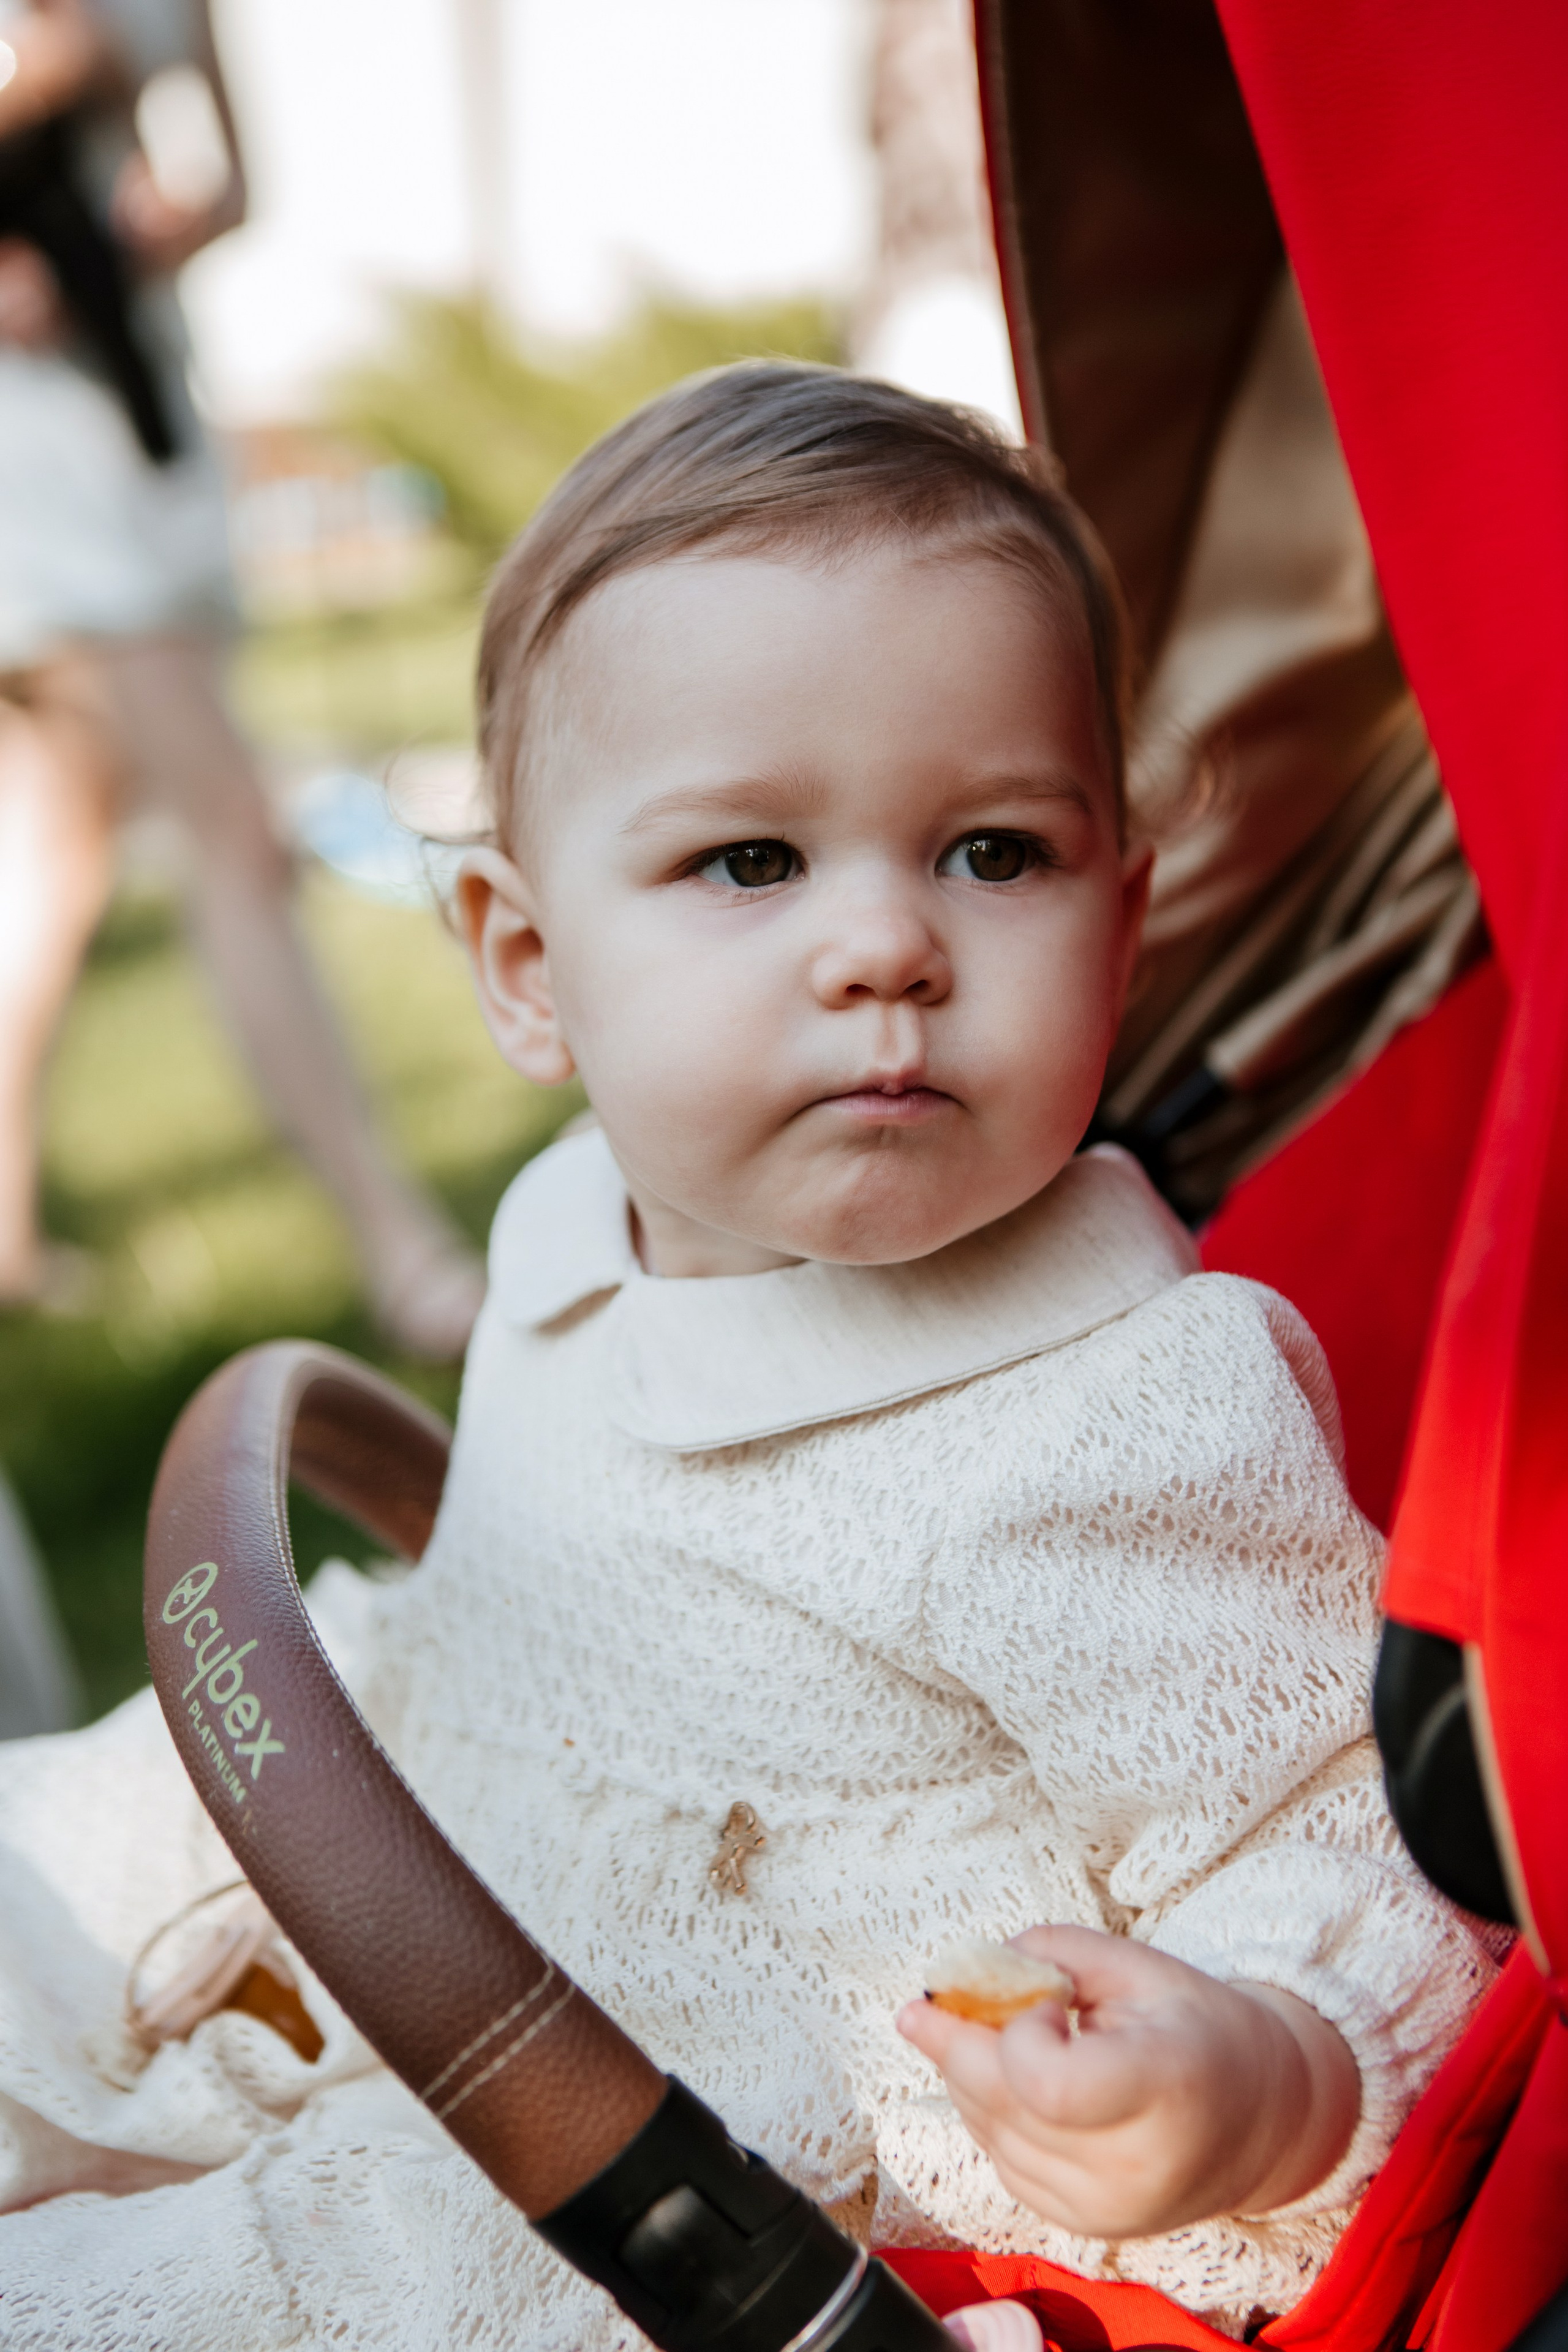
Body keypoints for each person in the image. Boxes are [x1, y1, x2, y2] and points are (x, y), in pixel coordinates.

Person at [0, 368, 1502, 2347]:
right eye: (750, 865)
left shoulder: (1120, 1410)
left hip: (711, 2123)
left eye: (992, 854)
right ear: (531, 969)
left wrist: (1257, 2073)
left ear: (1123, 924)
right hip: (448, 1824)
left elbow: (1340, 1846)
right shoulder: (570, 1212)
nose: (887, 945)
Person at [0, 0, 482, 1354]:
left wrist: (163, 226)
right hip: (31, 453)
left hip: (145, 408)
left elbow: (233, 184)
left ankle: (5, 1240)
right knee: (235, 833)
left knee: (59, 858)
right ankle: (400, 1246)